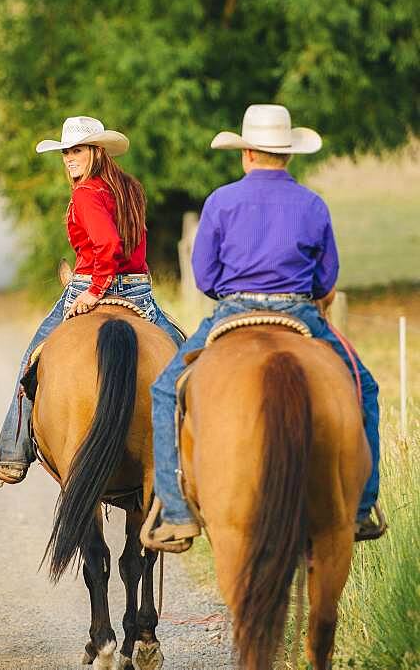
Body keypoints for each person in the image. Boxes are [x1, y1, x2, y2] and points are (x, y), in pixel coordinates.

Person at [146, 104, 385, 552]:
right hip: (300, 313)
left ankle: (175, 510)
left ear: (247, 154)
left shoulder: (220, 201)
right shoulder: (313, 204)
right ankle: (361, 505)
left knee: (164, 391)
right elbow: (325, 278)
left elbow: (205, 278)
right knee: (363, 387)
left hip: (233, 312)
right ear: (288, 154)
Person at [0, 116, 184, 484]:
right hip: (139, 291)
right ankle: (192, 449)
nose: (68, 158)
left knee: (31, 361)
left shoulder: (85, 193)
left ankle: (13, 452)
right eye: (65, 152)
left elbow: (107, 245)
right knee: (181, 355)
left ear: (97, 151)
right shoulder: (130, 188)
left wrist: (95, 290)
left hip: (91, 286)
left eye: (76, 150)